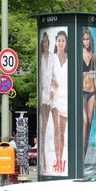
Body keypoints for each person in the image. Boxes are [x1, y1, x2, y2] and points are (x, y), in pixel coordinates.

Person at [49, 30, 68, 173]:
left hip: (66, 98)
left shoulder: (69, 59)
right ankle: (57, 161)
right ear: (56, 42)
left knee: (63, 132)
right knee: (57, 131)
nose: (61, 43)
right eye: (59, 40)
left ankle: (61, 160)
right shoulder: (52, 58)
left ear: (66, 43)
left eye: (63, 40)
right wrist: (51, 82)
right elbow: (46, 75)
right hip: (55, 98)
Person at [38, 31, 54, 172]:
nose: (45, 44)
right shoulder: (40, 57)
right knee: (43, 127)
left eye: (46, 41)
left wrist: (52, 90)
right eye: (43, 42)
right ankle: (43, 161)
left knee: (49, 128)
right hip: (43, 93)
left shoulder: (52, 57)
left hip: (50, 94)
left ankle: (48, 161)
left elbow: (54, 76)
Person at [82, 28, 96, 157]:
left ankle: (84, 155)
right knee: (84, 122)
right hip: (82, 91)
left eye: (88, 39)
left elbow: (95, 75)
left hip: (92, 91)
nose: (86, 42)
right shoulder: (78, 54)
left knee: (89, 125)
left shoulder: (93, 55)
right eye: (84, 39)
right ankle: (80, 155)